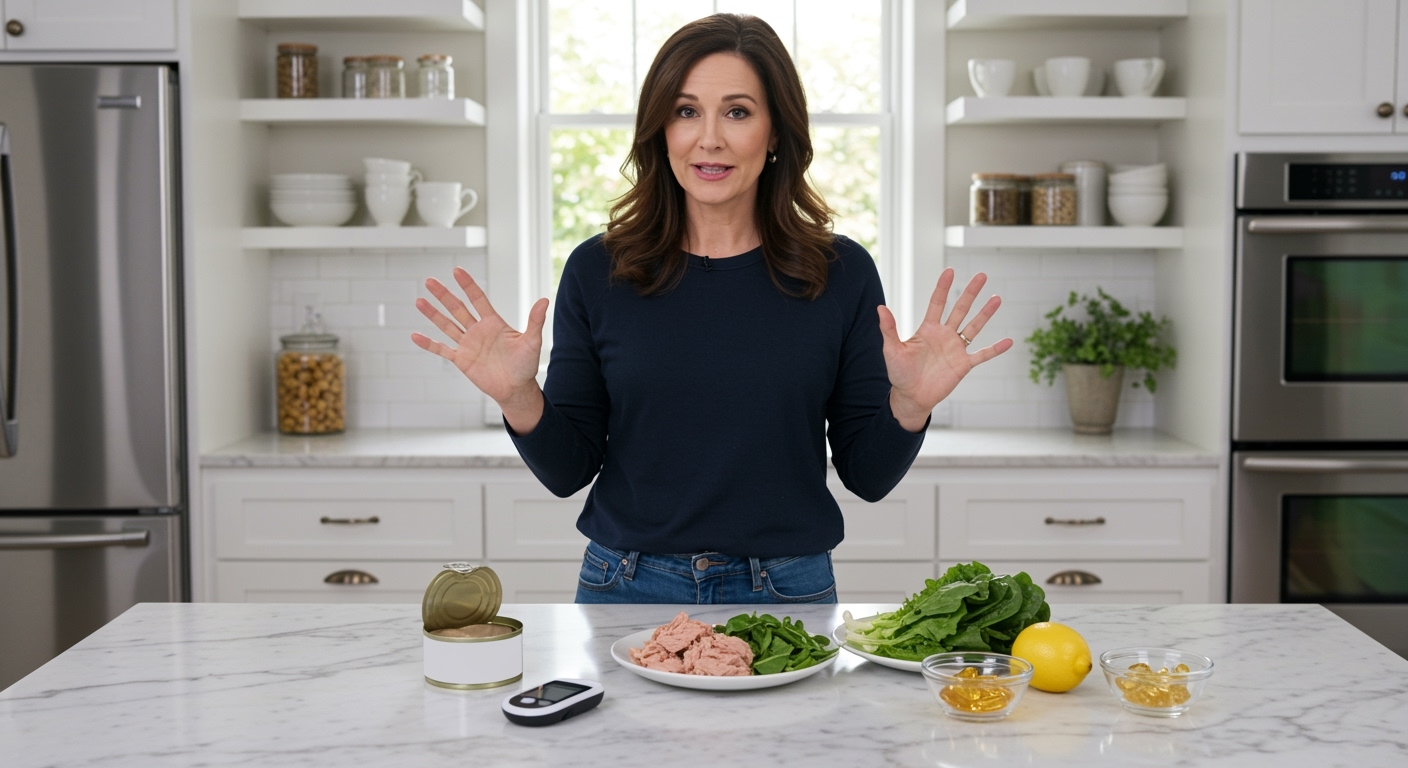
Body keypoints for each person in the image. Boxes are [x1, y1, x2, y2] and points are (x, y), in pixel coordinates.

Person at [412, 14, 1011, 604]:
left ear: (775, 132)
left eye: (738, 111)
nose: (710, 139)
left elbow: (869, 477)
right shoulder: (600, 270)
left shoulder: (841, 272)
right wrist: (518, 397)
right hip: (626, 582)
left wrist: (908, 406)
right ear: (660, 129)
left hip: (788, 588)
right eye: (686, 110)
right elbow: (569, 472)